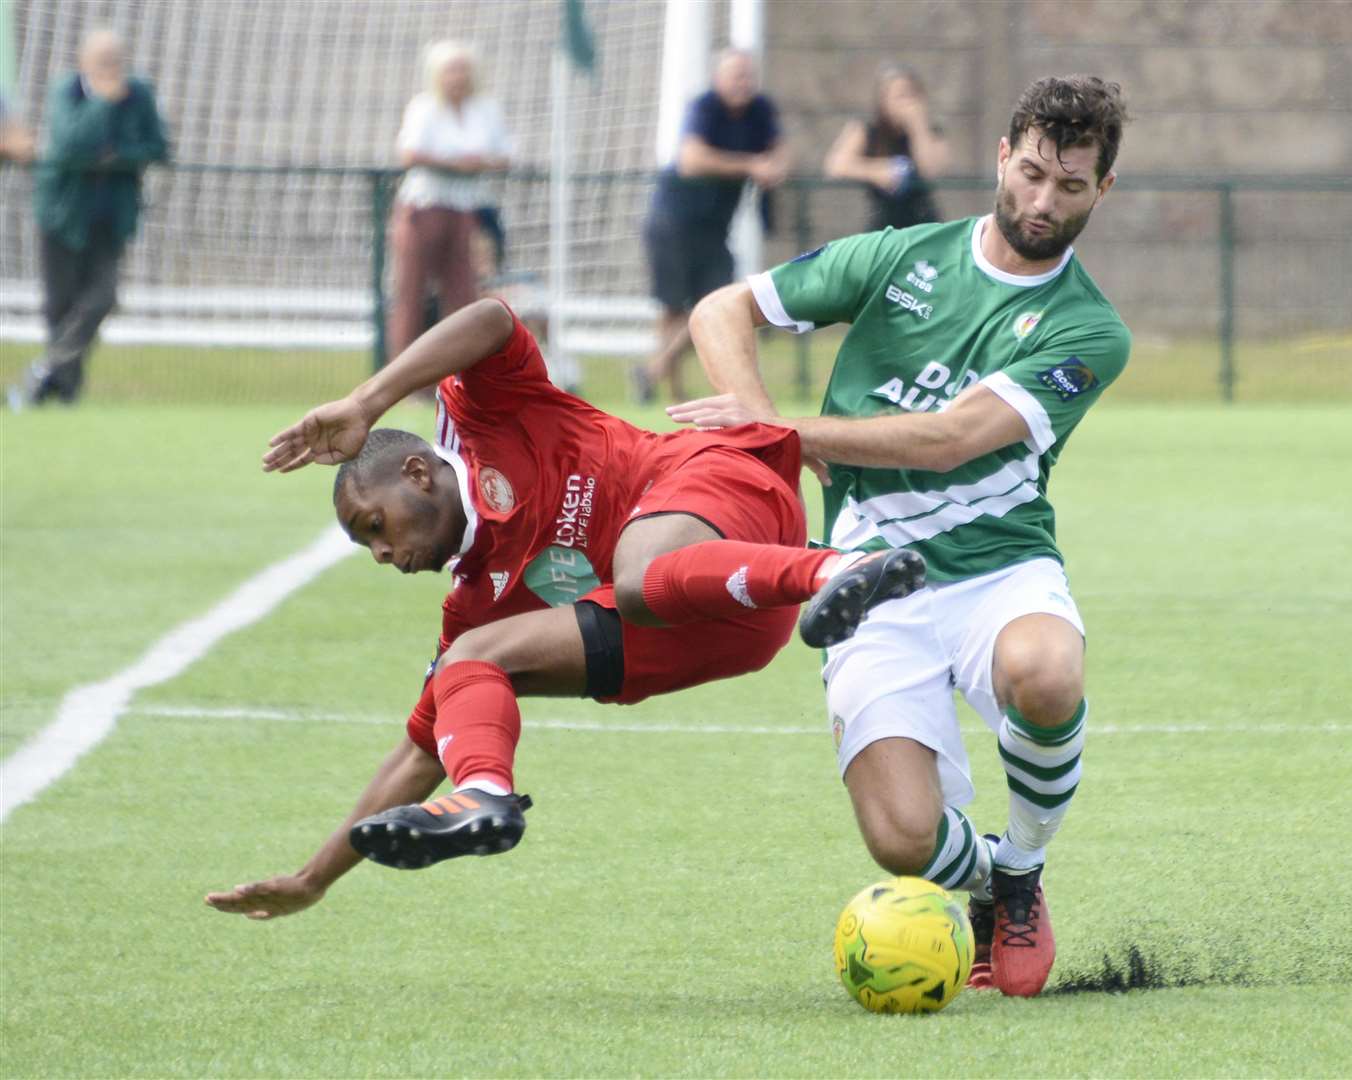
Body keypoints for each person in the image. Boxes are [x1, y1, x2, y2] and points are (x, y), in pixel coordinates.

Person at [205, 297, 922, 918]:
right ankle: (487, 794)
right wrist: (311, 880)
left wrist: (365, 402)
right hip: (726, 624)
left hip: (724, 494)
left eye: (374, 527)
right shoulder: (474, 607)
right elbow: (420, 753)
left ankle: (840, 567)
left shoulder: (488, 410)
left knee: (639, 577)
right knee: (467, 664)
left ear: (417, 473)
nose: (382, 555)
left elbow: (489, 318)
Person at [669, 76, 1131, 998]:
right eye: (1033, 172)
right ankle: (986, 879)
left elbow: (952, 435)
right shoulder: (899, 255)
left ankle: (1025, 870)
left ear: (1101, 191)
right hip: (867, 576)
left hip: (998, 567)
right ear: (1002, 157)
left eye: (1070, 186)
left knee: (1046, 669)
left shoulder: (1090, 331)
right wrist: (767, 433)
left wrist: (789, 436)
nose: (1043, 201)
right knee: (901, 838)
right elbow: (721, 311)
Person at [8, 29, 167, 410]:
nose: (110, 70)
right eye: (101, 61)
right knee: (59, 306)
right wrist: (101, 104)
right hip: (62, 214)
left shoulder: (138, 94)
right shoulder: (67, 91)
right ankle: (64, 392)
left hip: (110, 218)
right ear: (83, 61)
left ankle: (44, 370)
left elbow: (156, 146)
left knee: (102, 297)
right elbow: (69, 142)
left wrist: (118, 155)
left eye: (115, 61)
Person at [634, 48, 790, 405]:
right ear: (718, 78)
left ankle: (652, 371)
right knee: (672, 307)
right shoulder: (704, 108)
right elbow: (691, 160)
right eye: (735, 75)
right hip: (674, 220)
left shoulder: (761, 111)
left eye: (747, 75)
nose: (743, 82)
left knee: (715, 302)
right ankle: (671, 393)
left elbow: (781, 154)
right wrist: (752, 165)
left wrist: (773, 165)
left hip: (715, 229)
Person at [387, 40, 513, 366]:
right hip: (425, 207)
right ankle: (405, 378)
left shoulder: (484, 109)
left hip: (465, 209)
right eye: (451, 70)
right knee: (412, 293)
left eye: (463, 70)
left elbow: (504, 155)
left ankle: (459, 377)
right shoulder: (425, 107)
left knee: (462, 294)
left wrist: (479, 163)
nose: (458, 77)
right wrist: (454, 163)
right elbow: (409, 153)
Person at [823, 64, 950, 231]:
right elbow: (835, 165)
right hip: (883, 220)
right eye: (899, 96)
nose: (907, 103)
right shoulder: (867, 129)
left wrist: (917, 126)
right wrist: (875, 171)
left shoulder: (930, 131)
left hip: (922, 220)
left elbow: (931, 169)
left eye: (911, 95)